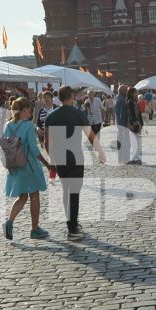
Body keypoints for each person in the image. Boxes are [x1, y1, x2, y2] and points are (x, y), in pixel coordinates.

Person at [43, 85, 96, 240]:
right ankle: (72, 228)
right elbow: (90, 136)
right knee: (74, 191)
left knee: (66, 190)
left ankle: (71, 221)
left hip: (59, 158)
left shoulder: (51, 116)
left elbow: (46, 141)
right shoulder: (78, 113)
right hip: (75, 157)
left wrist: (51, 157)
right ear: (71, 96)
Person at [1, 98, 50, 241]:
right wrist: (46, 163)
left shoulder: (7, 125)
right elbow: (34, 150)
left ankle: (9, 222)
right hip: (29, 166)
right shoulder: (28, 125)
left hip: (14, 166)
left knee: (22, 196)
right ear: (23, 110)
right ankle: (34, 229)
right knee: (34, 195)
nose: (31, 112)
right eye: (29, 109)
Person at [115, 88, 143, 164]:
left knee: (130, 142)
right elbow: (123, 114)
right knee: (129, 142)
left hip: (126, 125)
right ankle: (128, 158)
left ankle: (128, 158)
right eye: (125, 90)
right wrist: (135, 123)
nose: (126, 91)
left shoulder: (127, 100)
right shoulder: (122, 100)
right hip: (126, 125)